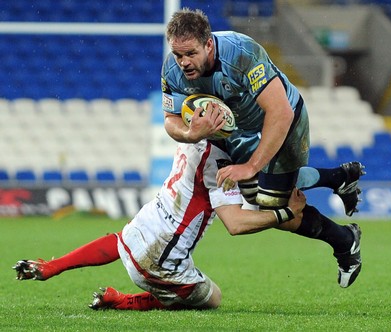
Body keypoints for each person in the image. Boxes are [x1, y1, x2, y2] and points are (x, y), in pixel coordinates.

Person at [161, 8, 362, 287]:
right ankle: (339, 179)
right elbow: (170, 120)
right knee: (258, 197)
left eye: (191, 53)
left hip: (283, 120)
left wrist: (251, 166)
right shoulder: (172, 69)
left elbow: (279, 112)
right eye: (178, 55)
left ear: (208, 44)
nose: (183, 62)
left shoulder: (241, 52)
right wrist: (190, 133)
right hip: (239, 132)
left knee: (270, 201)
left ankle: (344, 239)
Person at [14, 139, 307, 311]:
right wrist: (285, 214)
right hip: (160, 259)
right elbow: (236, 223)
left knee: (122, 238)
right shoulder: (219, 162)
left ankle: (53, 266)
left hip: (147, 224)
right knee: (212, 297)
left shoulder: (187, 138)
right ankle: (123, 300)